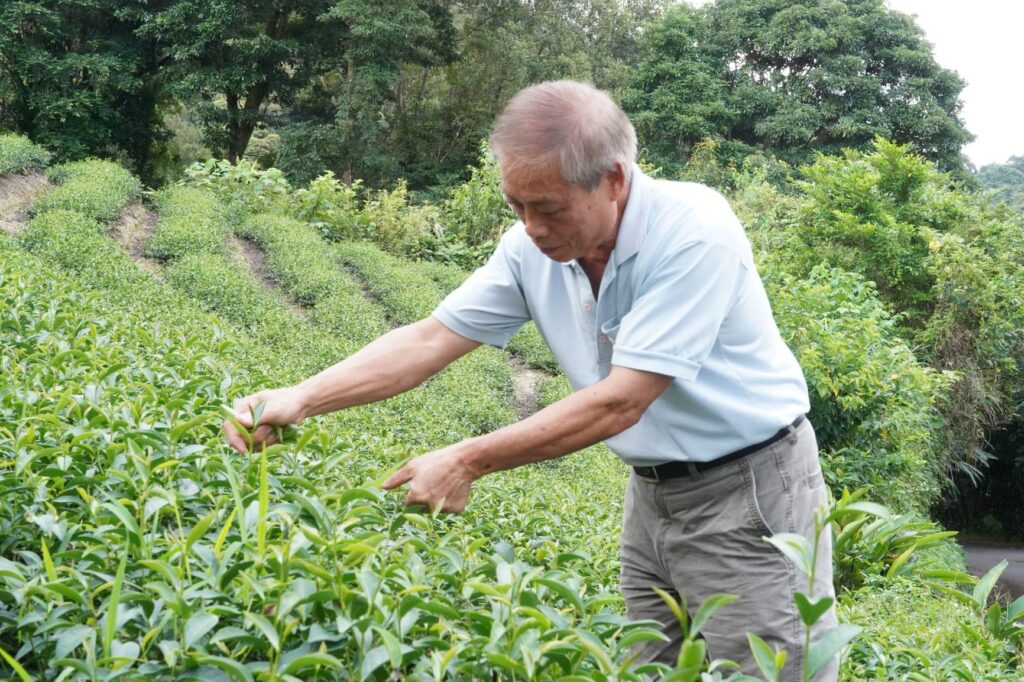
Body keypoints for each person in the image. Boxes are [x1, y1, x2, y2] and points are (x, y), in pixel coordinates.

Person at [223, 80, 837, 679]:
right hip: (652, 493)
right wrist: (302, 398)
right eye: (516, 206)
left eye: (547, 208)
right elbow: (431, 338)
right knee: (652, 668)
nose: (532, 227)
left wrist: (467, 459)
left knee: (770, 671)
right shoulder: (528, 248)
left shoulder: (694, 232)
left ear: (615, 180)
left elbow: (622, 400)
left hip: (750, 488)